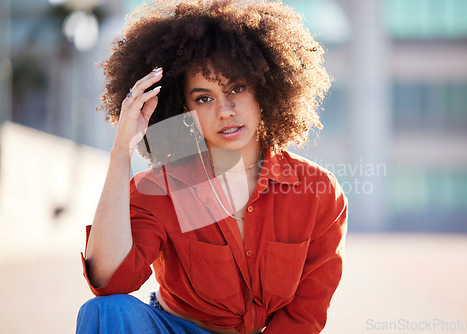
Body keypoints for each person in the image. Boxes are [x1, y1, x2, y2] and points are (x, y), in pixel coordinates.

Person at [76, 0, 348, 333]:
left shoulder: (317, 192)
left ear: (266, 88)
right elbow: (108, 279)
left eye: (237, 88)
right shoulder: (164, 186)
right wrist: (121, 151)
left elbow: (306, 314)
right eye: (204, 98)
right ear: (183, 107)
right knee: (105, 311)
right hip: (172, 327)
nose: (225, 110)